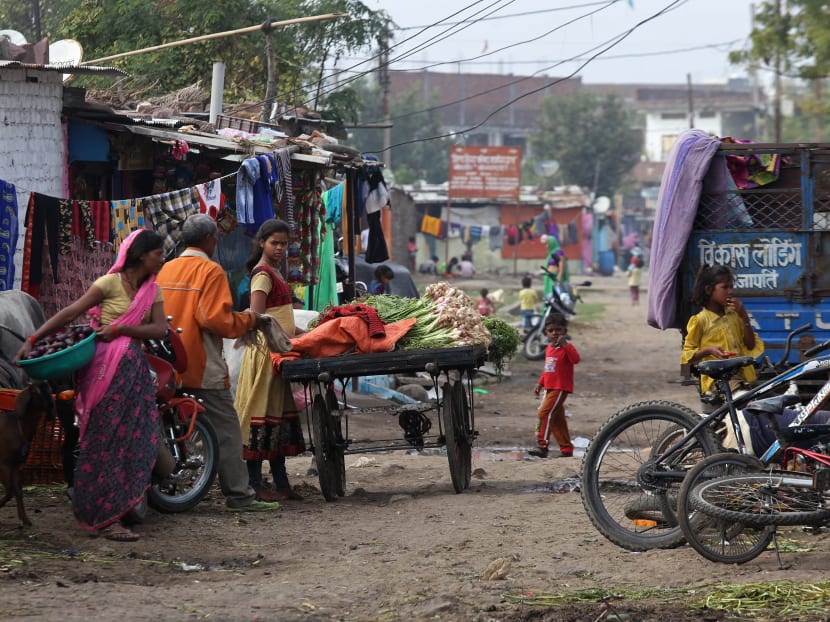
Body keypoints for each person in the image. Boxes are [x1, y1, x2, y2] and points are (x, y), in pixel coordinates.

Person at [15, 229, 168, 541]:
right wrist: (33, 339)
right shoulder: (108, 284)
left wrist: (123, 328)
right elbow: (71, 312)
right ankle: (104, 517)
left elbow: (160, 329)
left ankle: (120, 509)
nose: (162, 258)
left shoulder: (153, 290)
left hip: (134, 377)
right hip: (104, 376)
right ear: (141, 254)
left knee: (132, 442)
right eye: (158, 253)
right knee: (104, 443)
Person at [156, 214, 281, 512]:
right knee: (226, 428)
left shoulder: (165, 269)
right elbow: (218, 321)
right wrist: (251, 320)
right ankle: (239, 495)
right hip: (201, 363)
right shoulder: (210, 271)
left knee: (172, 426)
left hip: (167, 364)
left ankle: (170, 483)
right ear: (211, 239)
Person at [234, 219, 307, 503]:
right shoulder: (263, 274)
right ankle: (255, 484)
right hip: (266, 353)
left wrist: (307, 333)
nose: (279, 248)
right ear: (261, 242)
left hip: (278, 351)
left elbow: (282, 317)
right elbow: (258, 317)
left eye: (284, 244)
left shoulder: (275, 271)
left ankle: (281, 483)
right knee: (260, 417)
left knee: (274, 418)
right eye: (274, 243)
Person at [680, 264, 764, 410]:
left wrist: (744, 317)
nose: (730, 292)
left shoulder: (734, 315)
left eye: (731, 287)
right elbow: (688, 356)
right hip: (718, 380)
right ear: (708, 290)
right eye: (725, 287)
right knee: (750, 408)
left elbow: (750, 345)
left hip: (741, 376)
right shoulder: (700, 321)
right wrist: (708, 350)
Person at [529, 313, 580, 458]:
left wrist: (566, 346)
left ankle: (542, 445)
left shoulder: (567, 348)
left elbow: (576, 359)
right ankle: (566, 448)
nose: (554, 333)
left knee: (543, 413)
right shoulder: (549, 348)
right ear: (546, 332)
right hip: (549, 387)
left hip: (560, 388)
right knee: (557, 420)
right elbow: (547, 369)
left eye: (558, 330)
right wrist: (540, 383)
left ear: (564, 330)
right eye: (551, 330)